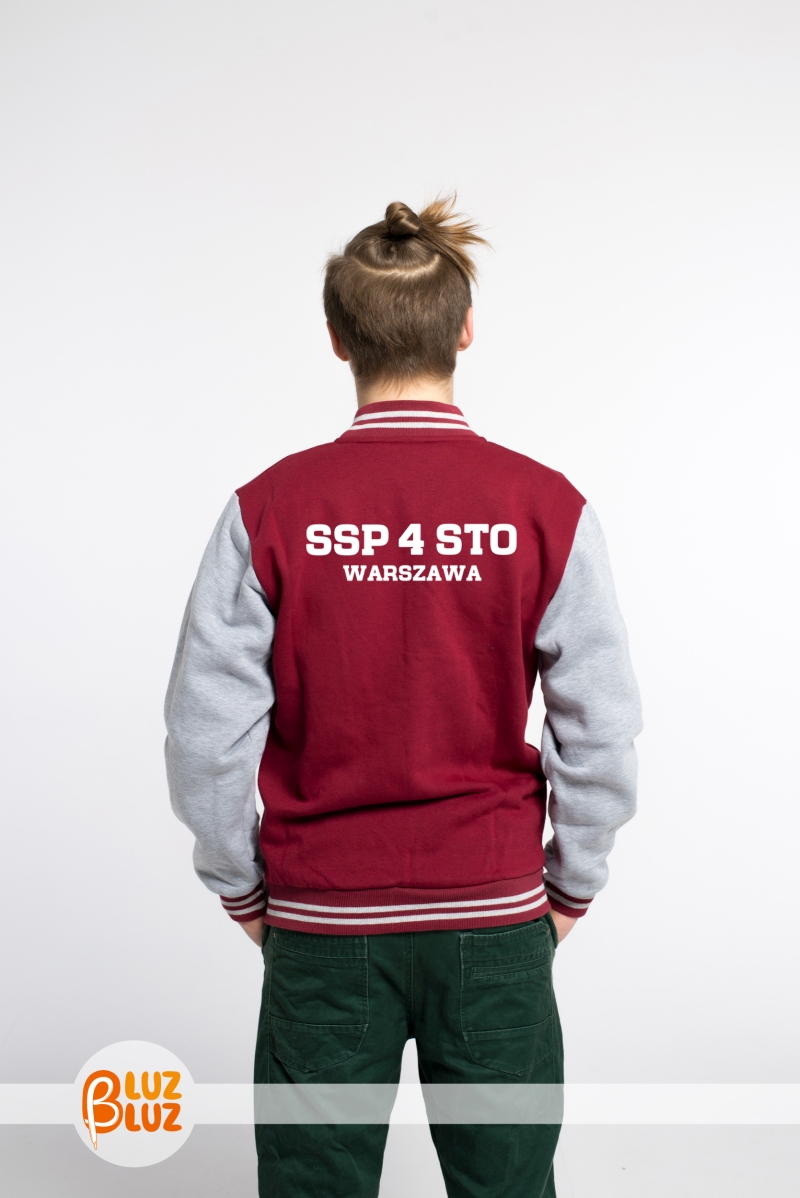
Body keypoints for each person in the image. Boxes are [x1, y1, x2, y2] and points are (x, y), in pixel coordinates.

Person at [165, 197, 642, 1198]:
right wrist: (569, 886)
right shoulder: (544, 507)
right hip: (493, 915)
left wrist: (242, 887)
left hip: (324, 920)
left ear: (337, 339)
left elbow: (205, 737)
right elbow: (599, 728)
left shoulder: (269, 509)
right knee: (508, 1185)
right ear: (464, 331)